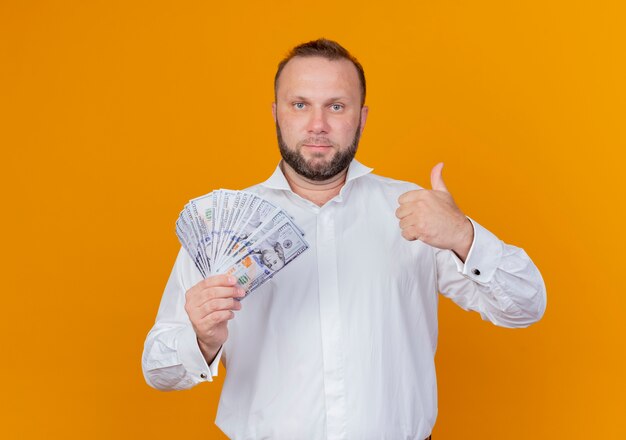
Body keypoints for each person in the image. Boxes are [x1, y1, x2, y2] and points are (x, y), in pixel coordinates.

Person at [142, 38, 546, 440]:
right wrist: (202, 339)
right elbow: (158, 370)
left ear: (362, 117)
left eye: (336, 106)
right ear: (276, 113)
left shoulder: (415, 211)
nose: (318, 125)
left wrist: (462, 234)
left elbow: (525, 306)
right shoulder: (221, 229)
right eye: (300, 104)